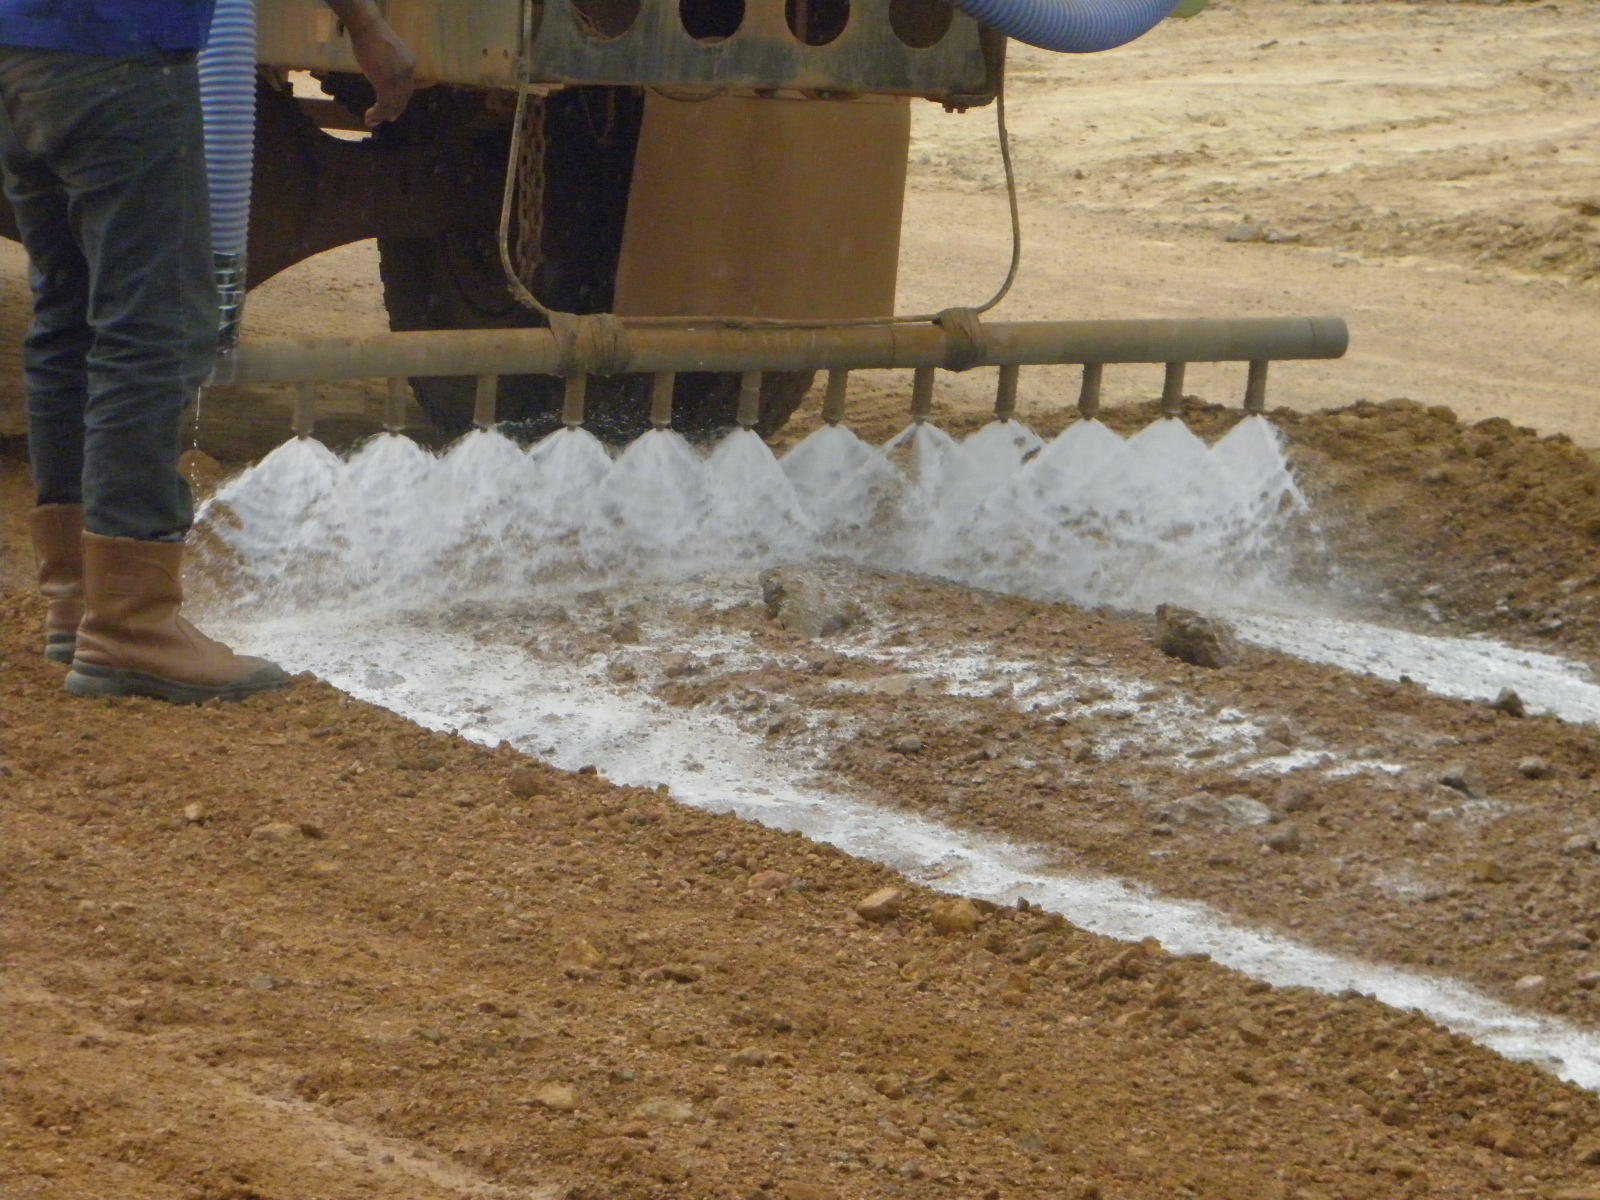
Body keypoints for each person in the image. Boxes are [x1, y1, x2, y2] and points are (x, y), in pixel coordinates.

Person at [0, 0, 414, 703]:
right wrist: (366, 23)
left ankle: (77, 601)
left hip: (22, 51)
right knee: (148, 329)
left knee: (68, 319)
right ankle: (131, 625)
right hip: (121, 53)